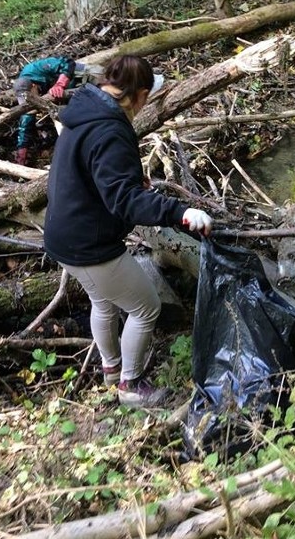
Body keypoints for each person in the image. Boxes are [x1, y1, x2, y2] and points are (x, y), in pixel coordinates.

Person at [44, 55, 213, 407]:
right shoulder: (110, 129)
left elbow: (94, 173)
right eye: (147, 97)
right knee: (145, 307)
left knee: (102, 302)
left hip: (63, 233)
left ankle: (111, 369)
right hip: (88, 244)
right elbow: (125, 202)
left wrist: (132, 179)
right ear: (138, 95)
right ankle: (131, 387)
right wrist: (181, 213)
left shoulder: (84, 112)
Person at [13, 56, 88, 165]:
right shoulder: (22, 87)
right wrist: (22, 147)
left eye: (31, 97)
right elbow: (27, 116)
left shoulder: (37, 68)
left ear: (34, 86)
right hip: (67, 95)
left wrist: (60, 84)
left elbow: (69, 62)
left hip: (80, 76)